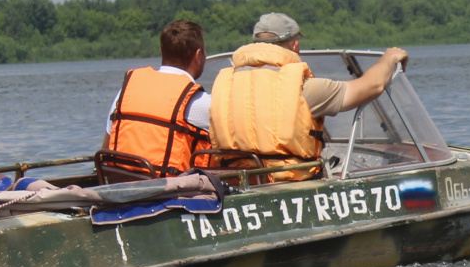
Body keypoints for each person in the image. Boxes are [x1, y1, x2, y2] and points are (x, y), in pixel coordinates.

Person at [207, 12, 409, 181]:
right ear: (295, 46)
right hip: (290, 182)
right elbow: (372, 85)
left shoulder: (226, 85)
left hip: (240, 182)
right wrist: (389, 57)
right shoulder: (305, 89)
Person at [99, 19, 212, 180]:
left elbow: (107, 146)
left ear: (162, 50)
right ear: (198, 55)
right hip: (168, 195)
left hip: (121, 186)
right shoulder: (199, 102)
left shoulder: (125, 92)